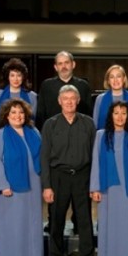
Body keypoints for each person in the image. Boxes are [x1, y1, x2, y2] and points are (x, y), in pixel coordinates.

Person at [41, 85, 96, 256]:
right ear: (59, 101)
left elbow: (95, 156)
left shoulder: (89, 124)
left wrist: (94, 184)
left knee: (85, 223)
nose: (69, 102)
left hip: (83, 176)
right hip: (58, 177)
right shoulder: (50, 124)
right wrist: (46, 186)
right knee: (56, 222)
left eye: (73, 98)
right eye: (66, 99)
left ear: (78, 100)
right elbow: (44, 157)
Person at [37, 50, 92, 234]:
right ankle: (53, 224)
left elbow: (88, 113)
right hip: (55, 141)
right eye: (60, 63)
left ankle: (78, 223)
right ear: (55, 67)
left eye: (67, 62)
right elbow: (41, 113)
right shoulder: (47, 85)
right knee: (57, 205)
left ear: (73, 64)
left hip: (77, 137)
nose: (64, 66)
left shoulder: (83, 86)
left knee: (81, 204)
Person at [0, 98, 44, 256]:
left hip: (32, 189)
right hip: (10, 191)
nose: (18, 116)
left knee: (30, 228)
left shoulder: (34, 132)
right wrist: (3, 185)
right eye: (13, 113)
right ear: (6, 115)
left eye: (21, 112)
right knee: (10, 229)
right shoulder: (0, 136)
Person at [90, 101, 128, 256]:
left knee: (127, 228)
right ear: (110, 116)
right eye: (116, 113)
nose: (120, 117)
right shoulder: (101, 135)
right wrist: (95, 187)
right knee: (107, 227)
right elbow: (96, 163)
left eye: (123, 113)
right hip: (108, 189)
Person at [0, 57, 38, 138]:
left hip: (25, 137)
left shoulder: (32, 96)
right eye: (12, 75)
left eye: (19, 75)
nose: (16, 79)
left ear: (23, 77)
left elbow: (33, 122)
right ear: (8, 77)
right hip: (1, 137)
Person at [93, 64, 128, 139]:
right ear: (108, 81)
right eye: (112, 77)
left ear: (124, 79)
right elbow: (95, 124)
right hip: (105, 141)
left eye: (118, 76)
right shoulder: (100, 99)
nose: (115, 80)